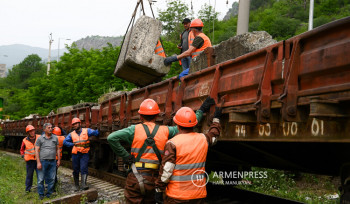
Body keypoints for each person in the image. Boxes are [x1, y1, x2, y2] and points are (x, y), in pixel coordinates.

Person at [107, 97, 215, 204]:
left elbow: (111, 138)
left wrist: (126, 156)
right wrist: (201, 110)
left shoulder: (134, 130)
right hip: (153, 179)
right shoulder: (166, 130)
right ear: (157, 115)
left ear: (140, 116)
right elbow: (186, 124)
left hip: (135, 177)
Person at [154, 106, 222, 204]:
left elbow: (166, 171)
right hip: (198, 195)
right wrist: (216, 119)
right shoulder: (203, 139)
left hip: (177, 196)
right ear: (194, 125)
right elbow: (214, 135)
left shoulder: (172, 143)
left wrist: (159, 189)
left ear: (177, 125)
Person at [63, 118, 99, 191]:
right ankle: (76, 185)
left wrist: (98, 130)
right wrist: (72, 144)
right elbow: (65, 142)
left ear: (80, 123)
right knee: (76, 169)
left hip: (84, 153)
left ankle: (83, 184)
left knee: (84, 168)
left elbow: (96, 133)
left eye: (76, 123)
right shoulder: (71, 134)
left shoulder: (87, 130)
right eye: (73, 124)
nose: (75, 125)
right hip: (75, 154)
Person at [35, 123, 60, 199]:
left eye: (51, 127)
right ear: (44, 129)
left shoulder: (55, 138)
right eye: (48, 128)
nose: (50, 129)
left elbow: (58, 149)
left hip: (52, 161)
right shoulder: (40, 139)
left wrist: (58, 160)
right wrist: (38, 162)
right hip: (43, 161)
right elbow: (36, 150)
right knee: (40, 179)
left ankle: (49, 194)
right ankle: (41, 195)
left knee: (52, 179)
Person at [20, 125, 40, 193]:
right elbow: (22, 149)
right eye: (30, 131)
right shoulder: (25, 140)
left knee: (39, 175)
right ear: (28, 132)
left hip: (38, 160)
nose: (32, 132)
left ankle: (40, 189)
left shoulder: (39, 137)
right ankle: (28, 189)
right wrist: (23, 155)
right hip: (30, 161)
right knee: (29, 175)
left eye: (33, 130)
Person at [53, 127, 65, 191]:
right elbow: (65, 135)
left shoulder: (51, 138)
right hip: (57, 158)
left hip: (51, 158)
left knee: (51, 173)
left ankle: (53, 187)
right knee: (54, 172)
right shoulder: (62, 138)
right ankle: (55, 184)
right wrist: (62, 130)